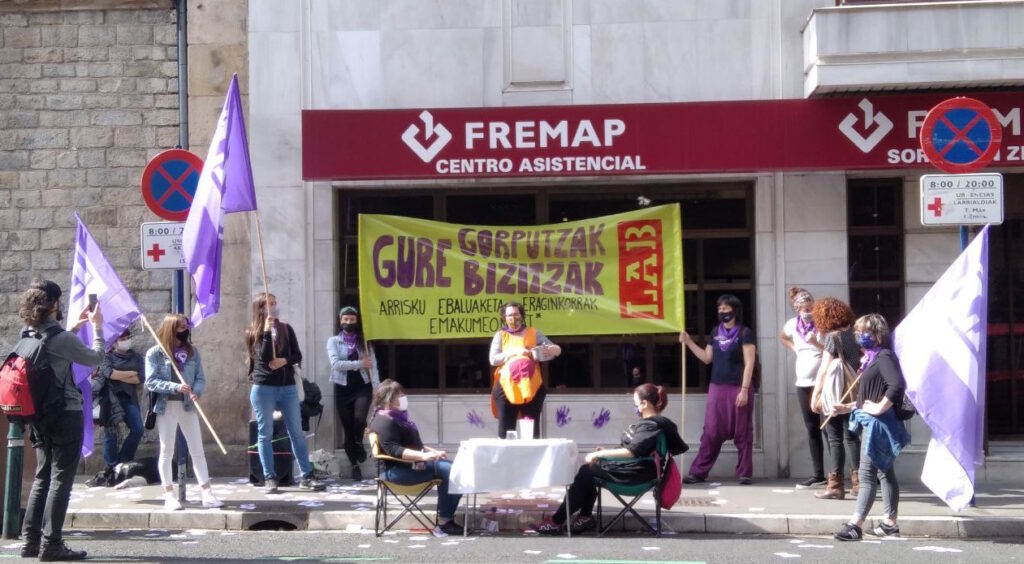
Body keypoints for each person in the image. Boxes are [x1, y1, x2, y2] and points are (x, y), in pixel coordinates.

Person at [19, 280, 104, 561]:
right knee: (61, 480)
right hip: (65, 413)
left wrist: (75, 328)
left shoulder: (27, 333)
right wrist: (98, 327)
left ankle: (30, 541)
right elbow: (95, 357)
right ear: (54, 303)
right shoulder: (62, 339)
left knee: (42, 477)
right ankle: (52, 544)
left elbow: (54, 349)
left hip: (40, 415)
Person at [533, 383, 688, 535]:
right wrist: (606, 453)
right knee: (588, 472)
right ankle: (584, 517)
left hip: (636, 476)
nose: (634, 407)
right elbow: (634, 450)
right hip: (636, 470)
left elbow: (632, 452)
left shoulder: (650, 426)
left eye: (636, 403)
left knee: (586, 473)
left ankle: (558, 521)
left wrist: (599, 455)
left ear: (645, 404)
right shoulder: (652, 424)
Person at [832, 314, 911, 541]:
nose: (859, 335)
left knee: (866, 474)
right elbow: (869, 397)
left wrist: (878, 408)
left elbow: (896, 385)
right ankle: (889, 524)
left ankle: (855, 525)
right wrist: (846, 407)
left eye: (864, 331)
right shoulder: (872, 359)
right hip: (875, 421)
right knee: (885, 471)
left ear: (878, 333)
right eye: (857, 331)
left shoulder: (884, 356)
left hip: (877, 424)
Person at [246, 293, 326, 493]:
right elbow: (265, 358)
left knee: (296, 432)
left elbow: (297, 355)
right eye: (269, 304)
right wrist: (266, 332)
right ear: (260, 309)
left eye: (275, 303)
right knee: (265, 433)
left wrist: (284, 360)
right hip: (264, 387)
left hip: (287, 386)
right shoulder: (253, 333)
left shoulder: (286, 329)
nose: (274, 307)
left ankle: (306, 475)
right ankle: (269, 476)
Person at [145, 314, 223, 510]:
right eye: (180, 327)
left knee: (197, 449)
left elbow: (200, 377)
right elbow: (151, 381)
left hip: (188, 406)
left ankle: (206, 492)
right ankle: (169, 494)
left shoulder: (192, 351)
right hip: (166, 406)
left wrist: (197, 391)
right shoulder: (155, 353)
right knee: (167, 450)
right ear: (171, 329)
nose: (185, 330)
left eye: (186, 326)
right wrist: (175, 387)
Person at [367, 379, 464, 535]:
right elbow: (395, 450)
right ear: (389, 400)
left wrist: (433, 452)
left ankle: (446, 518)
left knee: (455, 469)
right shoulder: (384, 422)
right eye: (400, 395)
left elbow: (413, 446)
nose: (404, 398)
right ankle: (445, 521)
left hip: (409, 466)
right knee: (450, 471)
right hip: (396, 472)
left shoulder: (397, 418)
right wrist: (424, 456)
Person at [679, 294, 756, 485]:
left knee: (742, 431)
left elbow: (749, 363)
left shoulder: (745, 332)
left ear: (735, 310)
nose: (722, 312)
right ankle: (698, 472)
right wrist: (689, 342)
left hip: (738, 386)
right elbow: (707, 358)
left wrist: (744, 389)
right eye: (720, 309)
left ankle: (744, 473)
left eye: (726, 308)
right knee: (711, 431)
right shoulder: (715, 332)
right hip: (717, 387)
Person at [809, 297, 862, 500]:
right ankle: (859, 484)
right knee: (852, 437)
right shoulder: (855, 333)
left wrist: (816, 394)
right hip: (852, 390)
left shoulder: (832, 337)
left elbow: (824, 369)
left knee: (835, 438)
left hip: (834, 392)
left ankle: (835, 486)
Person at [488, 302, 561, 438]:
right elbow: (493, 359)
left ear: (522, 315)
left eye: (516, 314)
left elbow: (553, 351)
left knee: (531, 432)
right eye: (509, 315)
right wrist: (515, 352)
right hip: (506, 386)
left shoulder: (533, 333)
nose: (513, 318)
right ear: (504, 317)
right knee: (506, 432)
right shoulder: (500, 335)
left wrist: (555, 350)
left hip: (531, 386)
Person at [779, 287, 826, 488]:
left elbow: (831, 349)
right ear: (797, 309)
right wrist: (795, 348)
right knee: (812, 428)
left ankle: (838, 474)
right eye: (805, 309)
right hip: (803, 383)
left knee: (829, 428)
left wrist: (815, 343)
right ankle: (818, 474)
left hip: (821, 382)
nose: (809, 312)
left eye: (811, 308)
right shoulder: (792, 325)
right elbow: (783, 337)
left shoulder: (822, 324)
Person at [327, 306, 379, 481]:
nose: (348, 322)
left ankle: (358, 442)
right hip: (343, 387)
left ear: (357, 321)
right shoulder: (333, 341)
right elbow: (336, 364)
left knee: (359, 418)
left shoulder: (364, 342)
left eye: (352, 319)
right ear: (340, 321)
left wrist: (376, 387)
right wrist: (359, 363)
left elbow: (373, 365)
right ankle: (354, 464)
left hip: (362, 386)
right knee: (347, 428)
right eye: (345, 319)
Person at [98, 328, 145, 475]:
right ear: (114, 343)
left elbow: (140, 378)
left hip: (129, 398)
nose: (126, 341)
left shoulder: (136, 357)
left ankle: (124, 460)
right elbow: (109, 373)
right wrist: (130, 373)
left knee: (138, 429)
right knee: (111, 431)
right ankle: (111, 465)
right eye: (122, 339)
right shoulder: (107, 356)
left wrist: (119, 375)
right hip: (111, 399)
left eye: (127, 338)